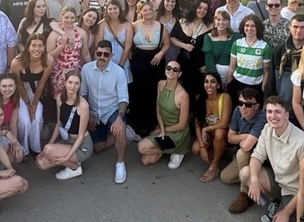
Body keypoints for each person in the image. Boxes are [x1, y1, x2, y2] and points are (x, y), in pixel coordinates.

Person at [233, 98, 304, 222]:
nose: (273, 116)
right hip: (279, 183)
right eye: (269, 111)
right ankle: (273, 204)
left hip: (297, 194)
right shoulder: (268, 128)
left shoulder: (302, 142)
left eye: (277, 112)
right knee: (246, 173)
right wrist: (254, 180)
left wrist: (287, 212)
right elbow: (256, 157)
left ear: (287, 115)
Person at [80, 41, 129, 183]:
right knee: (98, 148)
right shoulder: (86, 69)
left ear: (111, 55)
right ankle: (117, 132)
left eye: (106, 54)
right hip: (94, 111)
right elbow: (83, 95)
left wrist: (120, 118)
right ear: (95, 53)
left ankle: (120, 163)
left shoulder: (119, 72)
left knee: (120, 130)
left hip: (111, 110)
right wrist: (86, 115)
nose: (102, 57)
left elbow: (123, 99)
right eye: (99, 53)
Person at [36, 70, 94, 180]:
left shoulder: (83, 105)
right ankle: (68, 160)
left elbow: (81, 136)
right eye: (70, 82)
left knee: (48, 150)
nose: (73, 86)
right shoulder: (59, 99)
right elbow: (59, 123)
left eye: (76, 83)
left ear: (80, 85)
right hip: (67, 140)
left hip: (82, 146)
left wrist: (66, 158)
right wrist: (49, 144)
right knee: (41, 163)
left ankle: (75, 167)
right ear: (65, 83)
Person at [137, 61, 191, 170]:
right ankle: (168, 149)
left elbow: (181, 125)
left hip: (177, 132)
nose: (171, 71)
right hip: (163, 127)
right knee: (146, 161)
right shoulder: (161, 84)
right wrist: (161, 128)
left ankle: (179, 149)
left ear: (179, 74)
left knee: (141, 147)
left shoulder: (183, 95)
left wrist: (162, 131)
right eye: (169, 68)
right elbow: (158, 108)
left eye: (175, 70)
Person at [128, 0, 170, 137]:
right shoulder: (134, 26)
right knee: (137, 92)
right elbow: (127, 42)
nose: (148, 12)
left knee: (153, 93)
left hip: (155, 61)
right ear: (140, 11)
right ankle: (137, 124)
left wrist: (160, 53)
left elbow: (166, 43)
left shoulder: (160, 26)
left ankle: (152, 123)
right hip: (139, 60)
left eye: (150, 10)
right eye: (145, 10)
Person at [9, 37, 55, 155]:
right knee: (24, 122)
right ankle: (23, 150)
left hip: (34, 91)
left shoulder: (48, 60)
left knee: (37, 118)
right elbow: (19, 86)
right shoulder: (17, 62)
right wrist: (28, 104)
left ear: (44, 47)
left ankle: (35, 148)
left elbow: (41, 84)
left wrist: (34, 104)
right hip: (18, 92)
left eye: (40, 46)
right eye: (34, 45)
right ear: (28, 47)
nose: (37, 49)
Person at [219, 86, 266, 187]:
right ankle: (247, 177)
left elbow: (246, 146)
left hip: (260, 157)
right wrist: (243, 137)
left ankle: (244, 191)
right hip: (247, 152)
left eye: (248, 105)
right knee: (225, 177)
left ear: (256, 106)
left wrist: (239, 138)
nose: (243, 107)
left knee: (241, 152)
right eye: (241, 103)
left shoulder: (262, 118)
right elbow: (230, 137)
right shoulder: (237, 111)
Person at [192, 70, 233, 182]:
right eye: (206, 82)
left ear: (218, 84)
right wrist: (201, 147)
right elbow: (197, 124)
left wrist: (207, 128)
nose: (209, 85)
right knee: (196, 149)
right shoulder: (200, 99)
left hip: (225, 134)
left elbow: (224, 123)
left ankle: (215, 166)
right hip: (210, 134)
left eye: (213, 82)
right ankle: (217, 152)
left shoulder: (225, 97)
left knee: (219, 132)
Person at [166, 0, 211, 98]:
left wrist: (207, 64)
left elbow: (212, 47)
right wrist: (184, 45)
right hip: (182, 63)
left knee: (195, 94)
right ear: (194, 8)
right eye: (200, 8)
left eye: (205, 9)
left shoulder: (210, 26)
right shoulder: (182, 22)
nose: (202, 11)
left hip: (199, 67)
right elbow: (172, 38)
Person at [228, 14, 273, 102]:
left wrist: (263, 90)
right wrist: (228, 83)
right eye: (247, 25)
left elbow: (266, 72)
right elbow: (232, 68)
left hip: (255, 87)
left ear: (258, 28)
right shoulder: (237, 44)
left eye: (253, 26)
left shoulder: (264, 47)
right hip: (237, 85)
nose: (249, 28)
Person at [49, 6, 90, 97]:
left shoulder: (81, 32)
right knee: (59, 98)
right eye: (66, 17)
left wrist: (91, 67)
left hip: (75, 70)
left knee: (74, 97)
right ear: (61, 17)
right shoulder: (55, 33)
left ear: (76, 18)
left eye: (72, 17)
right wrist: (61, 46)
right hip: (58, 72)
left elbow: (85, 53)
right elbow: (49, 56)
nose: (69, 20)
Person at [271, 14, 304, 106]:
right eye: (295, 27)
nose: (298, 31)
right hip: (282, 104)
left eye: (303, 27)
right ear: (290, 28)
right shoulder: (278, 51)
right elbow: (271, 81)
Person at [94, 0, 133, 85]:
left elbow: (128, 47)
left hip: (122, 58)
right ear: (106, 11)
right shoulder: (102, 24)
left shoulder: (127, 25)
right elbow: (98, 45)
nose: (112, 11)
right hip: (105, 58)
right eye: (110, 9)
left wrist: (121, 65)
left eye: (115, 8)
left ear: (120, 9)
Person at [201, 9, 235, 88]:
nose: (221, 22)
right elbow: (209, 60)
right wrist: (216, 80)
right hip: (215, 79)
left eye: (224, 20)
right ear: (215, 23)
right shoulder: (208, 37)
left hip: (232, 77)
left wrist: (229, 79)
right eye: (218, 19)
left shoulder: (235, 37)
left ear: (228, 23)